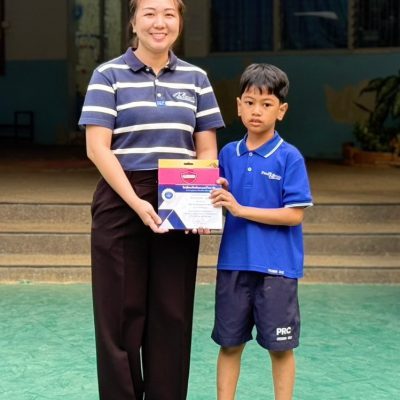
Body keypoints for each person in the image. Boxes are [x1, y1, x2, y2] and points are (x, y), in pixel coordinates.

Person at [78, 0, 224, 399]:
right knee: (119, 314)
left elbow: (205, 148)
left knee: (171, 313)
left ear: (180, 21)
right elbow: (97, 147)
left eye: (169, 14)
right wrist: (135, 201)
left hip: (179, 195)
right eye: (149, 13)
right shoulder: (107, 75)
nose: (160, 22)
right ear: (133, 21)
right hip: (120, 197)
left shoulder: (197, 79)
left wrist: (200, 200)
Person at [210, 63, 313, 400]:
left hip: (277, 269)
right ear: (238, 106)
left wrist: (240, 209)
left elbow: (294, 215)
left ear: (281, 111)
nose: (257, 111)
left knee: (280, 348)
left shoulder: (289, 157)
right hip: (233, 265)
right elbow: (214, 200)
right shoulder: (227, 154)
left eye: (266, 104)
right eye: (250, 102)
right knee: (229, 345)